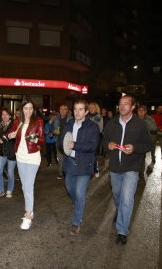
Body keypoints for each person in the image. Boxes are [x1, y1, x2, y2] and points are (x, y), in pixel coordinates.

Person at [102, 94, 153, 245]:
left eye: (126, 104)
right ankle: (119, 210)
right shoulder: (111, 124)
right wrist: (108, 145)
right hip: (115, 167)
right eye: (120, 103)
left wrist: (135, 148)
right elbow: (103, 141)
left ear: (132, 107)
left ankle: (122, 231)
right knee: (117, 195)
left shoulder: (140, 124)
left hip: (132, 167)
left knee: (127, 198)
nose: (122, 106)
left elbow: (149, 145)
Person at [61, 99, 100, 235]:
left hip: (84, 164)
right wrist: (63, 144)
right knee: (70, 189)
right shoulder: (69, 123)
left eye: (80, 109)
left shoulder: (92, 126)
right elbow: (62, 139)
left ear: (86, 111)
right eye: (75, 109)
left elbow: (93, 146)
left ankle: (76, 222)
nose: (77, 112)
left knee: (79, 192)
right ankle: (79, 205)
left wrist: (75, 145)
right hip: (69, 163)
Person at [8, 99, 44, 230]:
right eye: (25, 108)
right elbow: (11, 132)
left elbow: (42, 140)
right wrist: (11, 134)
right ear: (21, 109)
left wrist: (35, 139)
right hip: (20, 157)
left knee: (28, 186)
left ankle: (29, 215)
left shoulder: (38, 121)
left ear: (33, 109)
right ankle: (30, 210)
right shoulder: (18, 121)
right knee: (25, 186)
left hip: (33, 157)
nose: (28, 111)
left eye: (30, 108)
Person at [0, 108, 17, 199]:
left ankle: (9, 189)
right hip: (2, 151)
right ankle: (1, 190)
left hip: (11, 152)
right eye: (3, 114)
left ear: (10, 116)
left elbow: (14, 138)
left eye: (6, 114)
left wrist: (4, 137)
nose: (4, 116)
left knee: (10, 172)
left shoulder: (14, 125)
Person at [53, 104, 73, 179]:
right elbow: (52, 128)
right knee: (60, 157)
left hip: (67, 141)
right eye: (61, 109)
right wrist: (54, 131)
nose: (62, 111)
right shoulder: (55, 118)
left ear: (67, 110)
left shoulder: (71, 119)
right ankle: (61, 173)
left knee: (67, 157)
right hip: (58, 140)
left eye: (64, 109)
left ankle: (66, 172)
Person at [87, 102, 104, 177]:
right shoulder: (86, 116)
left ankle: (95, 169)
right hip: (85, 139)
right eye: (90, 107)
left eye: (93, 107)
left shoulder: (99, 117)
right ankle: (88, 170)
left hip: (95, 139)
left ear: (96, 108)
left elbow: (99, 129)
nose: (91, 109)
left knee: (93, 156)